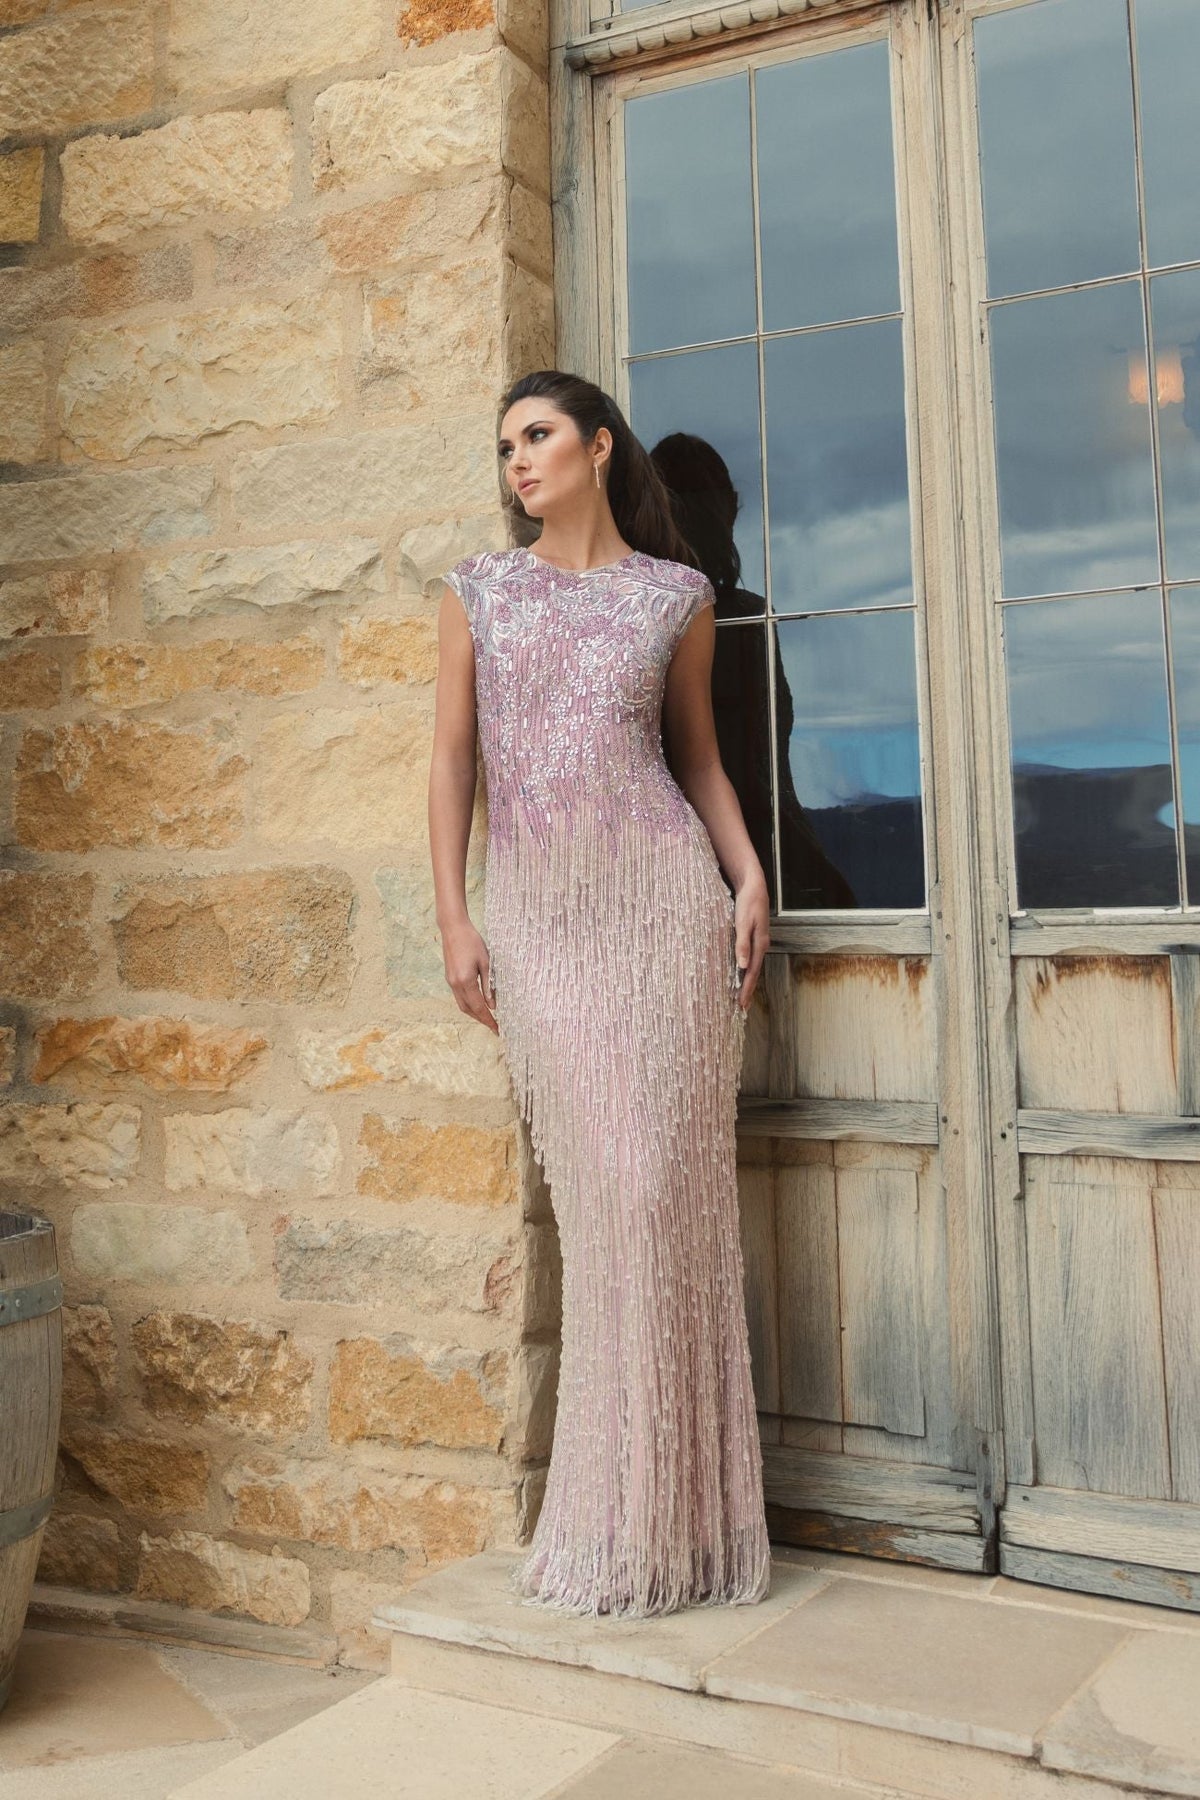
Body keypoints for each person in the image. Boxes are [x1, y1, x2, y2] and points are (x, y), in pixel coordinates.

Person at [427, 369, 772, 1617]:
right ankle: (602, 1521)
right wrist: (455, 916)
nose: (519, 460)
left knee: (664, 1203)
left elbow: (698, 759)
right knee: (610, 1198)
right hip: (542, 924)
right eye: (506, 446)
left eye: (538, 435)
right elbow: (452, 759)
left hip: (665, 910)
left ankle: (676, 1531)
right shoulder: (481, 590)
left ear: (598, 446)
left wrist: (746, 875)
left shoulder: (675, 597)